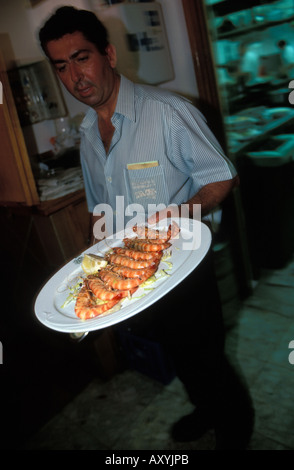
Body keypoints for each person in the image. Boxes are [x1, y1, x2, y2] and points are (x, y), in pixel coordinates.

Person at [39, 6, 254, 449]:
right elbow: (101, 203)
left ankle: (235, 424)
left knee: (208, 356)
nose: (74, 75)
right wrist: (93, 250)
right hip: (137, 280)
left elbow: (221, 176)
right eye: (61, 66)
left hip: (184, 269)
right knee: (179, 354)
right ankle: (205, 408)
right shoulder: (86, 132)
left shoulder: (169, 111)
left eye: (82, 57)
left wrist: (181, 214)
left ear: (110, 55)